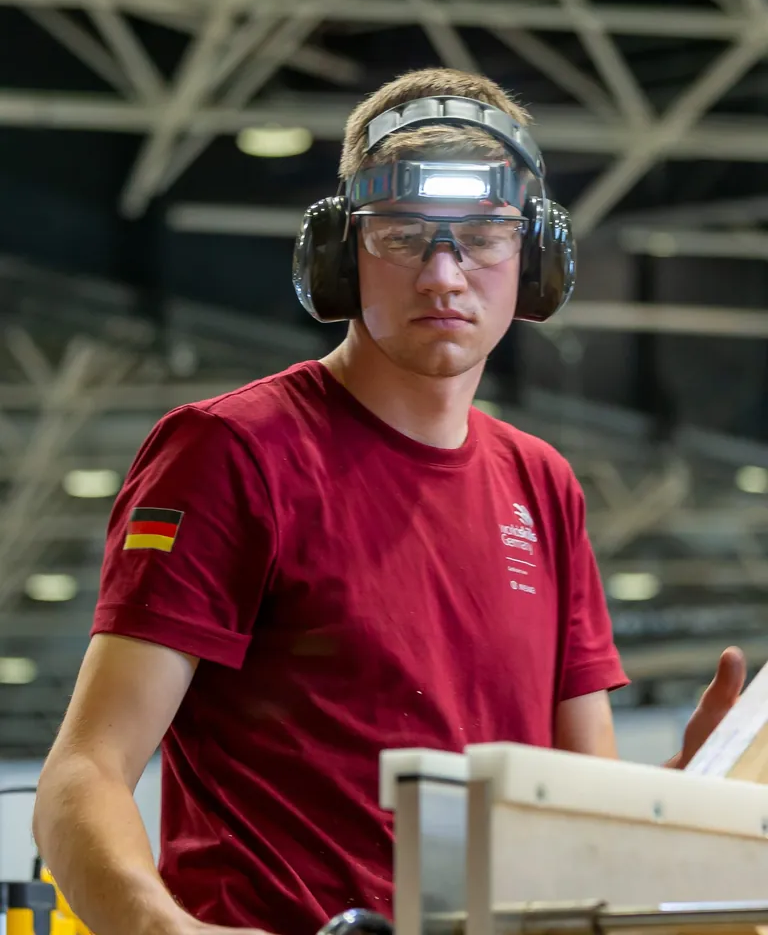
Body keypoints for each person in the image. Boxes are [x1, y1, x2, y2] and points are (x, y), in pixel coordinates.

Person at [33, 68, 746, 935]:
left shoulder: (541, 484)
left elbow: (576, 816)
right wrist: (160, 929)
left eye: (483, 236)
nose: (444, 276)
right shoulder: (233, 452)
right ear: (337, 256)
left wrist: (689, 796)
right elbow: (87, 769)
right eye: (404, 235)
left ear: (538, 258)